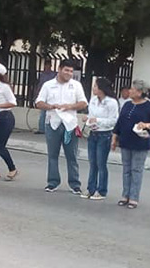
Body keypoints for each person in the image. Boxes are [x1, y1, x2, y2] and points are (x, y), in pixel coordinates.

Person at [35, 59, 89, 194]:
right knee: (52, 155)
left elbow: (83, 103)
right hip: (53, 122)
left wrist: (70, 106)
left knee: (72, 156)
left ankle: (75, 184)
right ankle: (52, 182)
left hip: (69, 124)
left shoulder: (76, 85)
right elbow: (39, 102)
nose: (69, 73)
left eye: (71, 71)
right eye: (66, 70)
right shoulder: (48, 85)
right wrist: (50, 106)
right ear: (59, 69)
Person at [111, 80, 150, 209]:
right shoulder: (127, 104)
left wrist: (146, 125)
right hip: (125, 141)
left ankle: (134, 197)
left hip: (140, 142)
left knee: (136, 169)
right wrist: (114, 138)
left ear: (139, 92)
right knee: (126, 169)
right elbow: (119, 123)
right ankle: (125, 195)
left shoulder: (149, 106)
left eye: (132, 89)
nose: (129, 91)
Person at [84, 78, 119, 200]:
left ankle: (102, 190)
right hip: (93, 133)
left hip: (104, 134)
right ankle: (91, 188)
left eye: (95, 86)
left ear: (101, 89)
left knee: (101, 163)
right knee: (92, 163)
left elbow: (113, 121)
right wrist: (88, 119)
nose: (93, 88)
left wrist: (98, 120)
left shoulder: (111, 102)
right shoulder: (93, 100)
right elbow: (91, 115)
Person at [35, 60, 57, 134]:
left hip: (51, 95)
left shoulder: (53, 75)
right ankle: (41, 129)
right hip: (43, 95)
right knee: (42, 112)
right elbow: (40, 84)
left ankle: (50, 128)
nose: (47, 67)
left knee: (51, 112)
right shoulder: (42, 75)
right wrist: (37, 93)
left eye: (48, 66)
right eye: (46, 66)